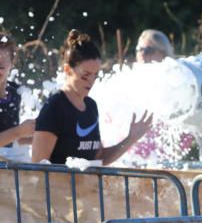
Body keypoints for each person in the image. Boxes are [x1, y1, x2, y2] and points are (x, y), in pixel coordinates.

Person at [32, 30, 151, 165]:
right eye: (85, 75)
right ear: (68, 70)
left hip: (85, 186)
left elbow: (99, 158)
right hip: (59, 186)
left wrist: (130, 139)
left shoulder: (91, 106)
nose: (91, 81)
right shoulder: (55, 107)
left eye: (95, 75)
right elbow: (38, 166)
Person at [0, 31, 34, 149]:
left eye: (1, 67)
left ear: (12, 63)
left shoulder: (15, 92)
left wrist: (38, 136)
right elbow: (14, 133)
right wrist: (18, 131)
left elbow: (10, 141)